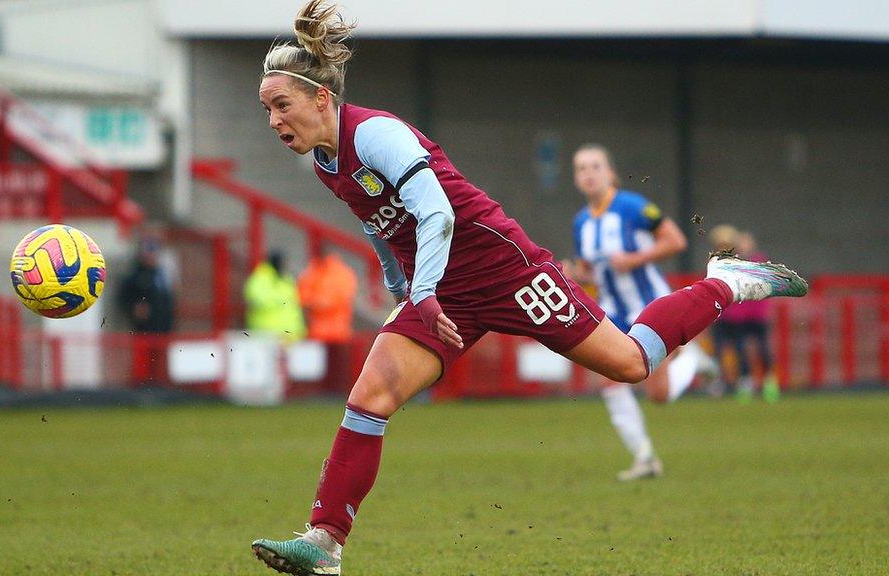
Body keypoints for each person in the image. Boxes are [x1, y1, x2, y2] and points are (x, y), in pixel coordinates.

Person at [251, 2, 807, 573]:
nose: (272, 119)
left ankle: (726, 283)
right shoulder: (326, 160)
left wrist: (419, 291)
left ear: (322, 98)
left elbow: (436, 214)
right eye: (266, 108)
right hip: (442, 290)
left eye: (281, 105)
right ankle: (325, 541)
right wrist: (401, 281)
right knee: (371, 397)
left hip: (505, 270)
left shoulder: (376, 134)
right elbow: (378, 222)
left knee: (631, 364)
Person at [565, 143, 715, 481]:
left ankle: (692, 360)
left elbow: (676, 240)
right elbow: (592, 271)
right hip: (614, 312)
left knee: (657, 396)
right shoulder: (581, 223)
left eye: (595, 166)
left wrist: (633, 260)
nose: (588, 174)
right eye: (581, 168)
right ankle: (644, 457)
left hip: (649, 306)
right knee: (610, 380)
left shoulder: (632, 207)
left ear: (611, 173)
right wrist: (576, 275)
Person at [708, 226, 779, 403]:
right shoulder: (731, 262)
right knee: (738, 349)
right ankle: (743, 382)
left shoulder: (759, 262)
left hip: (757, 314)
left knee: (763, 349)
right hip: (738, 316)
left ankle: (769, 381)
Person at [117, 234, 175, 384]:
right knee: (143, 359)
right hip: (144, 328)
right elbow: (124, 298)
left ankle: (158, 383)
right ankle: (142, 384)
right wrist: (134, 308)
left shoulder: (161, 273)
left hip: (162, 326)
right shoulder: (135, 276)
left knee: (159, 360)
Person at [298, 246, 358, 391]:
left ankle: (337, 392)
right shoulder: (312, 271)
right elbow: (303, 296)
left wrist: (318, 303)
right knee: (320, 372)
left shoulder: (341, 272)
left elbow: (343, 296)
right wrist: (318, 303)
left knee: (337, 370)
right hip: (319, 330)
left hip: (337, 329)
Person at [244, 250, 307, 343]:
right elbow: (259, 301)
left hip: (292, 336)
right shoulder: (260, 279)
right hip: (268, 335)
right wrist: (281, 301)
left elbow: (295, 303)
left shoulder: (286, 279)